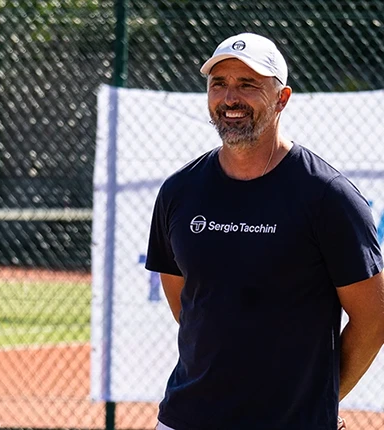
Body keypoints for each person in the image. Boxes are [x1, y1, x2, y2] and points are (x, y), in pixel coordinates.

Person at [145, 32, 384, 429]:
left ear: (282, 99)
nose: (229, 98)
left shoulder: (327, 196)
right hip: (185, 419)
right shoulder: (179, 191)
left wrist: (318, 400)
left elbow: (374, 318)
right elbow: (185, 303)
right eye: (218, 84)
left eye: (248, 84)